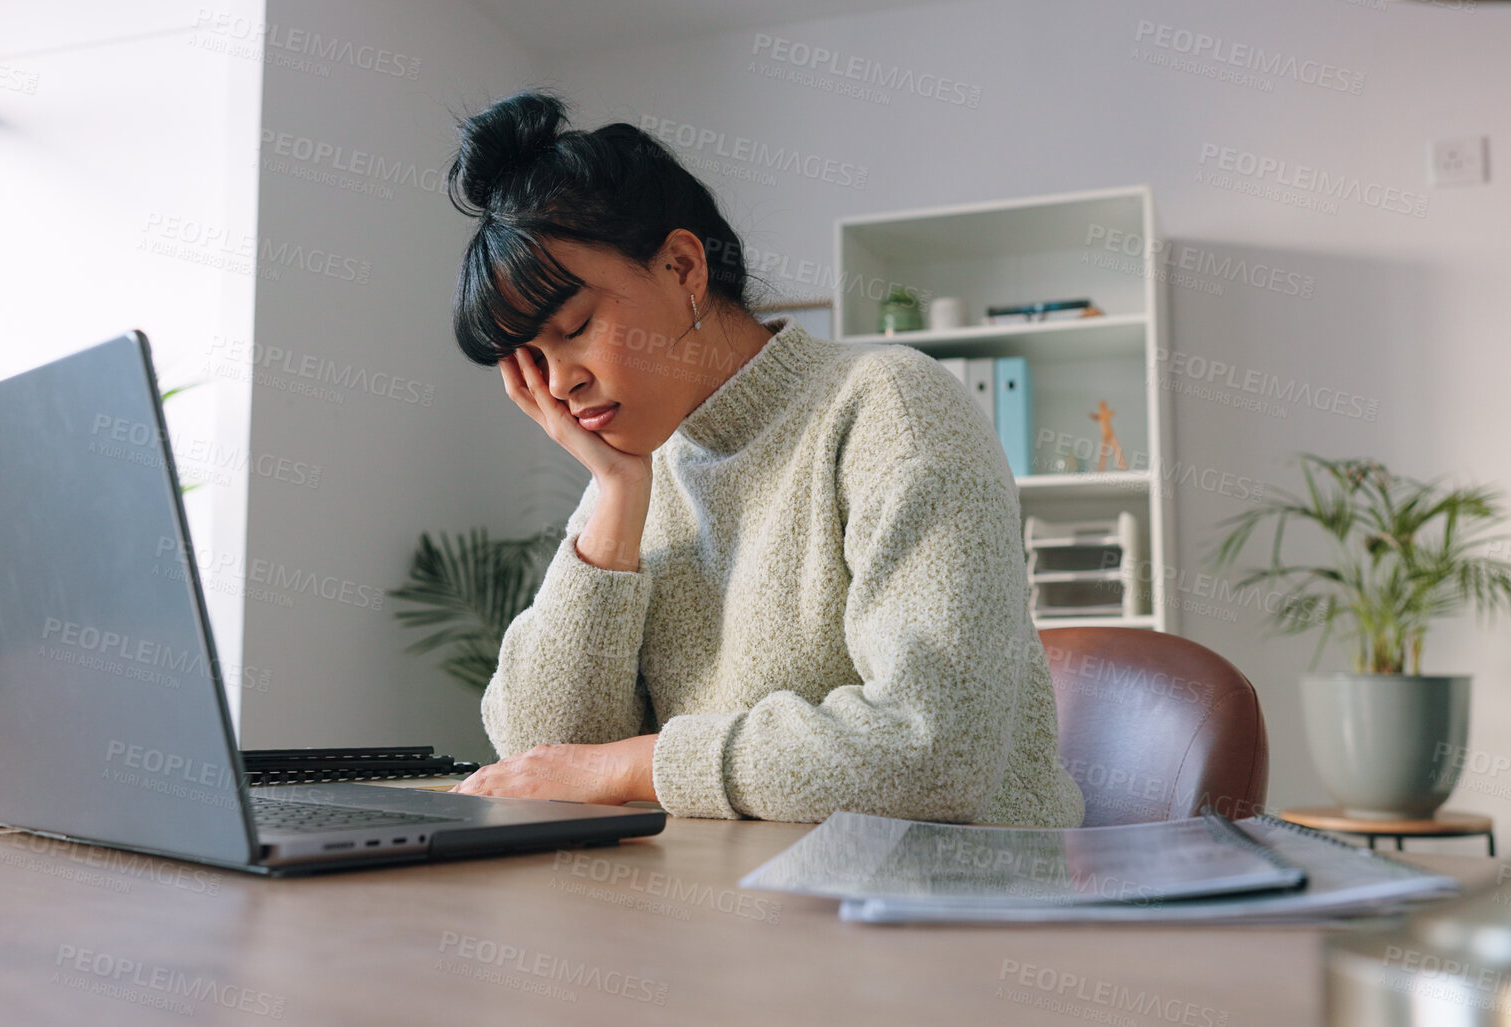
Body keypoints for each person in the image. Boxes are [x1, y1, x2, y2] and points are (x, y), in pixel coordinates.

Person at [445, 89, 1085, 828]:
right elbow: (541, 758)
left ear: (683, 268)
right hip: (729, 910)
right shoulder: (640, 466)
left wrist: (630, 764)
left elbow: (932, 749)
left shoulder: (886, 408)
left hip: (951, 909)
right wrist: (615, 497)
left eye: (577, 327)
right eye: (532, 359)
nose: (559, 383)